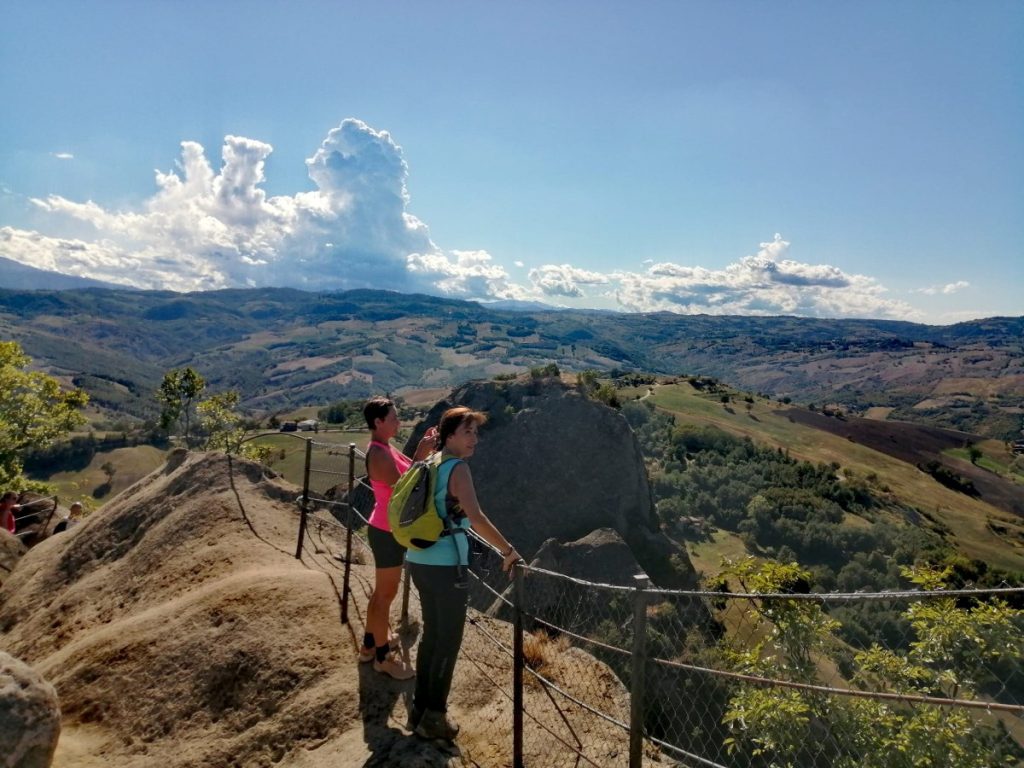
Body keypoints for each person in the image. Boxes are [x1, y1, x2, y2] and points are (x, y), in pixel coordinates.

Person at [407, 406, 520, 742]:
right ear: (449, 435)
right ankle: (434, 717)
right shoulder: (457, 468)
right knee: (448, 640)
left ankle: (419, 708)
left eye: (476, 432)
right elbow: (477, 517)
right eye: (467, 432)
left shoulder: (430, 461)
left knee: (432, 635)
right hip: (445, 565)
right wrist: (508, 551)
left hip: (418, 558)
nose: (475, 439)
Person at [362, 396, 438, 680]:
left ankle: (370, 645)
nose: (398, 422)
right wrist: (422, 453)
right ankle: (383, 658)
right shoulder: (379, 453)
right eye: (393, 418)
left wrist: (422, 451)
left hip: (386, 528)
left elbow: (408, 472)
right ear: (378, 422)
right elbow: (406, 489)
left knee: (381, 593)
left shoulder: (384, 447)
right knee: (385, 595)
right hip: (386, 531)